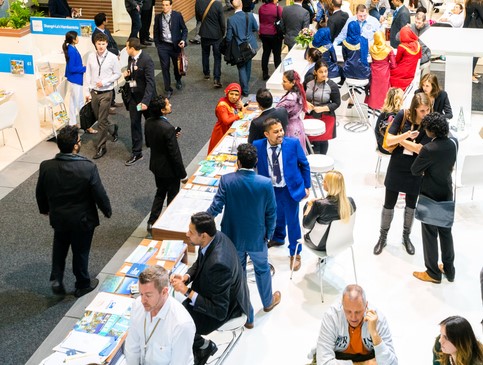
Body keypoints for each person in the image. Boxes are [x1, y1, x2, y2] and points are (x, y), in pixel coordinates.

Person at [206, 143, 281, 327]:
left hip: (232, 238)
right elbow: (271, 212)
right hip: (258, 237)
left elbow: (216, 207)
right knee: (262, 269)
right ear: (256, 162)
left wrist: (201, 222)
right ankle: (268, 302)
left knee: (239, 277)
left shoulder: (227, 180)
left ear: (238, 162)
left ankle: (248, 316)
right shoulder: (265, 183)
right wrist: (268, 234)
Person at [36, 126, 111, 298]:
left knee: (60, 245)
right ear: (76, 146)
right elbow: (98, 192)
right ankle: (82, 284)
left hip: (59, 217)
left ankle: (56, 278)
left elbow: (40, 191)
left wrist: (45, 209)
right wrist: (106, 210)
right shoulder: (88, 167)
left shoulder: (46, 166)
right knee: (80, 251)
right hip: (83, 219)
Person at [170, 212, 251, 365]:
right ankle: (201, 346)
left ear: (204, 235)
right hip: (213, 293)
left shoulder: (219, 264)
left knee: (176, 323)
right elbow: (200, 261)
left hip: (225, 309)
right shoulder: (215, 237)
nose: (187, 234)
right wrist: (186, 277)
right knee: (175, 316)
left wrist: (186, 291)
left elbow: (219, 311)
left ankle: (202, 347)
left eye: (191, 232)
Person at [373, 93, 432, 256]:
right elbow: (388, 140)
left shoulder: (429, 122)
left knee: (411, 205)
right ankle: (382, 236)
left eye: (427, 110)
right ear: (414, 109)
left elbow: (421, 149)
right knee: (388, 204)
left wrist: (400, 141)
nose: (425, 114)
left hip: (416, 168)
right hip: (397, 165)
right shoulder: (403, 114)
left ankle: (406, 237)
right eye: (422, 111)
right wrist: (406, 136)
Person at [253, 118, 311, 271]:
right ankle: (278, 238)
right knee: (276, 216)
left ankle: (295, 252)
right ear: (266, 134)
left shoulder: (293, 144)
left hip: (290, 188)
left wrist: (307, 186)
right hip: (271, 189)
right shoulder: (257, 146)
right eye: (276, 131)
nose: (281, 133)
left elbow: (304, 164)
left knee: (292, 221)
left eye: (281, 130)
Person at [411, 113, 458, 283]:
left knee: (430, 234)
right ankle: (449, 269)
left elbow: (415, 170)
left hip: (430, 196)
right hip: (447, 192)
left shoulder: (429, 149)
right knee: (446, 232)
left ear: (431, 131)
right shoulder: (454, 143)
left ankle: (432, 272)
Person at [124, 266, 196, 365]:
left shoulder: (181, 324)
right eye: (141, 294)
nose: (142, 300)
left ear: (164, 292)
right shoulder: (138, 305)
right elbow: (132, 348)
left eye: (148, 295)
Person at [316, 284, 398, 364]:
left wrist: (374, 334)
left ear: (366, 306)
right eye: (348, 311)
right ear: (342, 305)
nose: (353, 317)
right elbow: (324, 362)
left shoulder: (378, 318)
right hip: (340, 357)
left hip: (368, 356)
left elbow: (392, 363)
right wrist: (363, 364)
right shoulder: (332, 317)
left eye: (358, 312)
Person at [144, 96, 187, 234]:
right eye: (168, 104)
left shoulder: (149, 122)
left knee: (160, 193)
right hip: (170, 169)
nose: (171, 105)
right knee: (173, 197)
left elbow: (149, 143)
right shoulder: (167, 128)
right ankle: (169, 224)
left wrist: (170, 136)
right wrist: (183, 174)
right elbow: (175, 154)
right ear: (162, 110)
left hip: (156, 166)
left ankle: (152, 222)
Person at [86, 33, 121, 160]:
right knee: (99, 118)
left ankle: (102, 147)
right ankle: (112, 128)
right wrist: (87, 91)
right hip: (94, 92)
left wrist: (105, 81)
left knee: (101, 121)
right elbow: (88, 74)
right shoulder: (90, 56)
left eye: (103, 44)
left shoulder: (112, 57)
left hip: (106, 92)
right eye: (99, 44)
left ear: (107, 44)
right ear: (95, 44)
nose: (101, 46)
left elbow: (117, 74)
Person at [123, 37, 157, 166]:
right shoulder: (130, 58)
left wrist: (145, 102)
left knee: (151, 122)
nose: (125, 49)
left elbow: (150, 83)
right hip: (134, 98)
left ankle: (152, 142)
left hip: (145, 99)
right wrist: (128, 76)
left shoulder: (147, 60)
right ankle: (137, 152)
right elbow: (132, 75)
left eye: (127, 47)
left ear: (132, 48)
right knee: (134, 123)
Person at [303, 170, 356, 250]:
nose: (322, 183)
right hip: (340, 242)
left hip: (320, 245)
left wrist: (310, 204)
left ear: (330, 185)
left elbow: (306, 225)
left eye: (324, 181)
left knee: (307, 206)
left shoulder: (319, 205)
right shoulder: (350, 202)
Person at [305, 61, 341, 154]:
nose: (324, 74)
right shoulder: (308, 82)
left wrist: (322, 108)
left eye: (326, 71)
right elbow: (300, 95)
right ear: (315, 72)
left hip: (326, 116)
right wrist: (306, 103)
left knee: (322, 140)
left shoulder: (332, 85)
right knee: (308, 139)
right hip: (310, 115)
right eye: (321, 72)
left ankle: (322, 157)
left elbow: (337, 103)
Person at [154, 0, 188, 98]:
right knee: (165, 68)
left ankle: (178, 79)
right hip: (163, 46)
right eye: (163, 5)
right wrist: (158, 45)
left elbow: (184, 29)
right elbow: (156, 32)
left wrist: (183, 40)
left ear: (171, 6)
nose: (164, 7)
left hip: (175, 45)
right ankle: (167, 89)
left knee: (176, 66)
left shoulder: (177, 16)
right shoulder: (158, 17)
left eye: (167, 5)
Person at [226, 0, 258, 97]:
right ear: (242, 4)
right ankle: (245, 85)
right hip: (251, 45)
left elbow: (228, 37)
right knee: (248, 65)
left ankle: (245, 89)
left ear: (232, 5)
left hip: (239, 47)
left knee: (241, 67)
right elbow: (256, 28)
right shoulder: (250, 15)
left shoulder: (231, 20)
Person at [92, 13, 121, 114]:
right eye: (106, 19)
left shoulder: (107, 31)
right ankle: (106, 107)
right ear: (103, 21)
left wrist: (118, 52)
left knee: (111, 80)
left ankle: (112, 101)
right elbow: (103, 50)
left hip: (113, 58)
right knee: (106, 82)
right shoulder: (95, 34)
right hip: (105, 62)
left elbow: (113, 42)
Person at [208, 83, 247, 153]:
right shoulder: (222, 106)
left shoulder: (235, 103)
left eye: (236, 95)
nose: (234, 97)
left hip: (230, 131)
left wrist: (241, 107)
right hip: (221, 132)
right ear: (227, 93)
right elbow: (226, 121)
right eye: (231, 94)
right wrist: (241, 114)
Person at [62, 31, 89, 131]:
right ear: (73, 39)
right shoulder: (72, 51)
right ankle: (86, 125)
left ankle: (73, 122)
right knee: (79, 102)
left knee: (73, 101)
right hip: (75, 79)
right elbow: (72, 68)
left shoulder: (71, 48)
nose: (78, 38)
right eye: (77, 37)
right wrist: (84, 68)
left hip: (74, 79)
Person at [195, 0, 225, 88]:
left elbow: (198, 18)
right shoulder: (218, 4)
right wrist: (223, 33)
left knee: (205, 54)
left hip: (204, 33)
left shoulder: (198, 2)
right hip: (216, 35)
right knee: (217, 57)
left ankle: (206, 73)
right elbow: (222, 22)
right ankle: (216, 78)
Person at [278, 70, 308, 153]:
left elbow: (277, 112)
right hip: (298, 125)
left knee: (292, 155)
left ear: (293, 82)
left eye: (284, 81)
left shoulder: (290, 98)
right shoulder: (298, 92)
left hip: (290, 128)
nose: (282, 83)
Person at [365, 30, 395, 111]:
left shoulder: (371, 48)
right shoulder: (389, 50)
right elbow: (393, 65)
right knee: (384, 92)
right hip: (385, 74)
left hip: (374, 72)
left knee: (373, 91)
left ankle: (372, 108)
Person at [389, 27, 421, 91]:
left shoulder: (402, 47)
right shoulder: (418, 45)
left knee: (389, 71)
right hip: (412, 71)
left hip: (402, 72)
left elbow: (396, 60)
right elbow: (419, 57)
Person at [258, 0, 283, 81]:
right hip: (274, 34)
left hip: (263, 33)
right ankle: (278, 73)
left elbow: (260, 20)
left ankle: (265, 73)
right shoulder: (277, 8)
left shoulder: (261, 8)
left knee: (266, 53)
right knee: (277, 54)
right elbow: (281, 19)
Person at [374, 87, 404, 154]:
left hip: (381, 146)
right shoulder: (399, 115)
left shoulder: (382, 114)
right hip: (392, 148)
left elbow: (376, 131)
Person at [464, 0, 483, 83]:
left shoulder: (469, 2)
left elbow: (467, 18)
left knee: (474, 53)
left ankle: (471, 72)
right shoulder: (477, 3)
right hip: (476, 31)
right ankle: (469, 74)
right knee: (475, 53)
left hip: (470, 29)